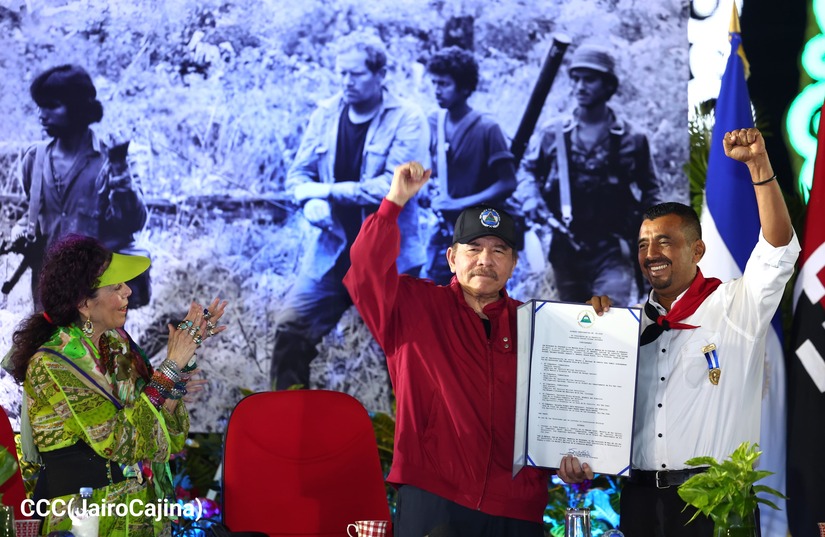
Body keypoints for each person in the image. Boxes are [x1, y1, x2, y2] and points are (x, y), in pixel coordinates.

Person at [343, 161, 593, 537]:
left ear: (512, 263)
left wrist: (572, 455)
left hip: (517, 505)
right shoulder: (412, 307)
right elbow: (364, 270)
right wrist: (393, 202)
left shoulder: (539, 326)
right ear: (452, 257)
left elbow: (563, 407)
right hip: (434, 496)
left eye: (498, 250)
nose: (485, 260)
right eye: (473, 248)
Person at [590, 128, 799, 536]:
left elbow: (777, 249)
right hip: (640, 502)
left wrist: (758, 165)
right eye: (643, 244)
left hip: (717, 501)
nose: (651, 254)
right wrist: (586, 333)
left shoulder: (738, 308)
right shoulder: (624, 327)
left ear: (697, 250)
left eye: (664, 242)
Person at [5, 234, 228, 537]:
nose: (129, 291)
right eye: (116, 287)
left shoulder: (118, 346)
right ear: (84, 303)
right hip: (86, 518)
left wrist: (185, 355)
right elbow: (121, 440)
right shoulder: (52, 364)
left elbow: (164, 432)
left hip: (139, 511)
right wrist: (171, 367)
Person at [270, 31, 430, 390]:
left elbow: (393, 186)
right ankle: (288, 428)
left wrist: (324, 191)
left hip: (389, 259)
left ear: (379, 74)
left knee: (404, 355)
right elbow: (298, 175)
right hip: (332, 252)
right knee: (290, 330)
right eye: (341, 73)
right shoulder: (326, 114)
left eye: (355, 74)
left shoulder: (408, 118)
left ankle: (408, 440)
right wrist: (310, 201)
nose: (346, 82)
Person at [518, 43, 663, 304]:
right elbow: (527, 171)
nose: (580, 86)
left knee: (608, 317)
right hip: (565, 246)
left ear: (608, 85)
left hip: (613, 247)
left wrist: (649, 235)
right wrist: (532, 201)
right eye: (576, 79)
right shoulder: (554, 133)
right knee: (572, 325)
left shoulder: (633, 138)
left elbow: (651, 190)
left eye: (590, 79)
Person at [13, 64, 150, 309]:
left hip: (99, 293)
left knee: (97, 348)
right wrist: (21, 231)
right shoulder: (34, 159)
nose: (42, 115)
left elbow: (133, 222)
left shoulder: (112, 158)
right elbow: (31, 214)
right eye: (40, 106)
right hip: (51, 292)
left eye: (53, 105)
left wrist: (119, 170)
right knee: (51, 348)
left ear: (78, 109)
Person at [422, 46, 517, 285]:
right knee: (431, 296)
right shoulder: (432, 123)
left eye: (444, 84)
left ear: (465, 88)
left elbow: (507, 182)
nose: (437, 91)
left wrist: (459, 205)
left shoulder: (488, 128)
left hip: (480, 232)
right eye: (434, 83)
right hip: (444, 230)